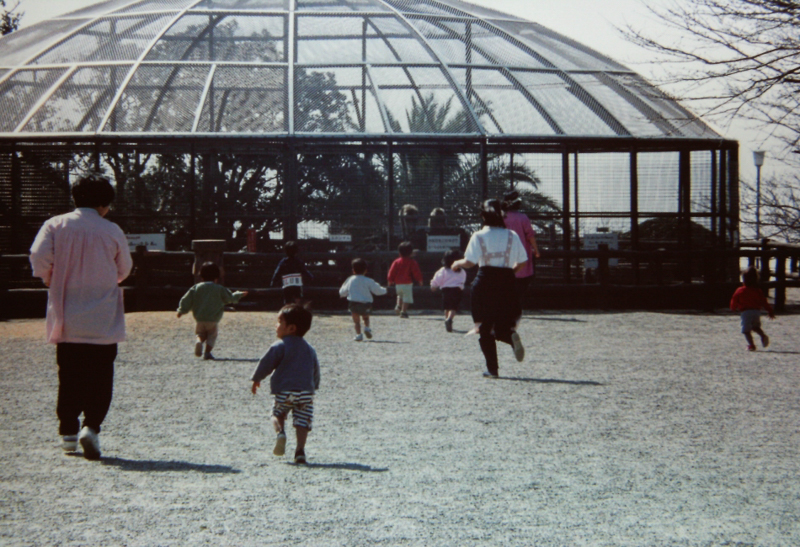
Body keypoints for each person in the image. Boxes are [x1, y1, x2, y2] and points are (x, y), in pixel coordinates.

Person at [29, 173, 133, 460]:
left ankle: (68, 431)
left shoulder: (56, 225)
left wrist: (52, 278)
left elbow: (38, 257)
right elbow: (123, 269)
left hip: (67, 312)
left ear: (75, 198)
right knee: (101, 375)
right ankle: (92, 426)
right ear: (104, 204)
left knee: (69, 374)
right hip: (103, 316)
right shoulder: (111, 230)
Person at [452, 199, 528, 378]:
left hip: (485, 281)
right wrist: (510, 272)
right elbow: (523, 261)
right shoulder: (512, 236)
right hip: (507, 281)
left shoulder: (478, 236)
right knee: (502, 324)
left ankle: (493, 370)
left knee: (484, 328)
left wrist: (456, 263)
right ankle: (510, 337)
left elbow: (470, 262)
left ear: (482, 216)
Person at [251, 304, 320, 464]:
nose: (276, 325)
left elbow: (266, 363)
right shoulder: (309, 348)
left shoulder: (280, 345)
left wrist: (257, 378)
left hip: (284, 390)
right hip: (305, 392)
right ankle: (300, 451)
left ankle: (281, 433)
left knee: (278, 413)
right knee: (303, 421)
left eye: (279, 321)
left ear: (291, 328)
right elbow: (315, 369)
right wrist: (313, 386)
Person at [177, 261, 248, 360]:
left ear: (201, 276)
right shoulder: (219, 289)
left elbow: (187, 299)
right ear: (217, 277)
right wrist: (239, 294)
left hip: (200, 318)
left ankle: (199, 341)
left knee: (200, 333)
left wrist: (181, 310)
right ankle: (207, 352)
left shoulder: (196, 288)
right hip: (213, 319)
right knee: (212, 335)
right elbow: (229, 298)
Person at [502, 190, 540, 305]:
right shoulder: (523, 218)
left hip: (505, 254)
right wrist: (536, 251)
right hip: (521, 253)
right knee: (522, 279)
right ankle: (516, 302)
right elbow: (530, 236)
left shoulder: (501, 217)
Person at [339, 258, 387, 341]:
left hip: (353, 303)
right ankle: (367, 328)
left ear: (353, 270)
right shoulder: (368, 281)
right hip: (366, 304)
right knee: (366, 318)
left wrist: (342, 294)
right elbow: (377, 290)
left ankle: (358, 335)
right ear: (365, 270)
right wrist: (385, 290)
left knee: (356, 321)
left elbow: (344, 290)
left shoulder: (350, 280)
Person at [730, 266, 775, 351]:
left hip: (746, 312)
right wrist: (770, 310)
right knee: (755, 327)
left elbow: (734, 299)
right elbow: (764, 301)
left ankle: (752, 345)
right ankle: (763, 335)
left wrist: (733, 307)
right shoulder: (758, 290)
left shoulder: (740, 290)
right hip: (756, 311)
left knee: (746, 330)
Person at [430, 249, 467, 332]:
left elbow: (437, 278)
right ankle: (450, 319)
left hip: (446, 290)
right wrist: (461, 287)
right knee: (453, 307)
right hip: (457, 290)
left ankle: (446, 319)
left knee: (446, 307)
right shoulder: (461, 271)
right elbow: (463, 280)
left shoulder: (443, 270)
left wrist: (434, 285)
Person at [270, 240, 313, 305]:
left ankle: (288, 311)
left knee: (287, 299)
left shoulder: (283, 262)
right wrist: (310, 277)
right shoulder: (298, 261)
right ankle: (298, 309)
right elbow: (304, 271)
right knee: (298, 297)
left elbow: (277, 272)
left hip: (287, 284)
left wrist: (273, 281)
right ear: (296, 251)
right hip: (297, 284)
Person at [387, 241, 423, 318]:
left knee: (400, 295)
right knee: (407, 298)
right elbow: (416, 272)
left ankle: (398, 306)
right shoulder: (412, 262)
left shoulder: (396, 261)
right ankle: (403, 311)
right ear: (411, 252)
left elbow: (391, 271)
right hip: (407, 283)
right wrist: (419, 280)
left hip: (398, 283)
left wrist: (390, 280)